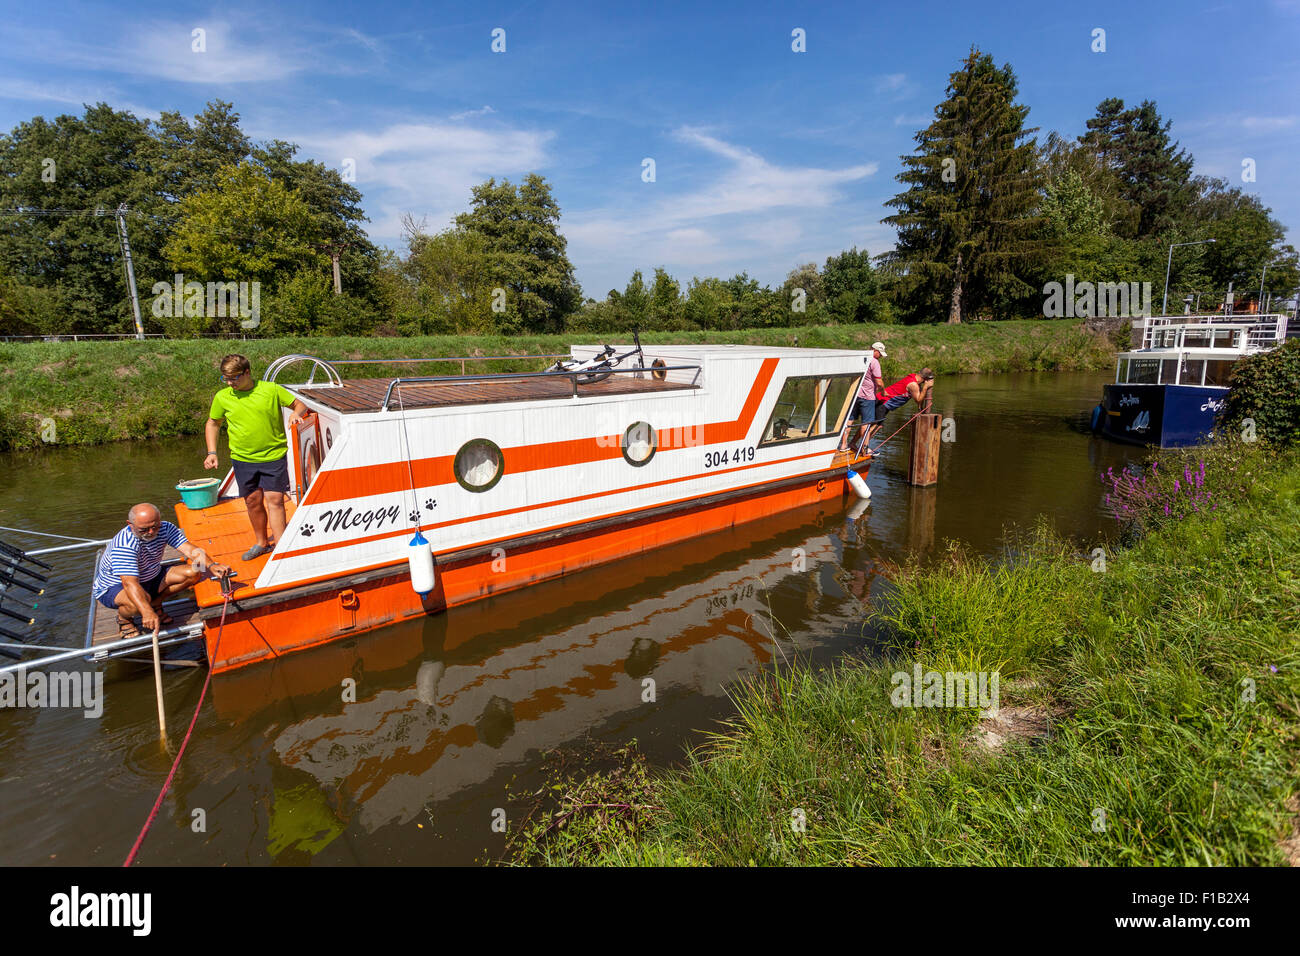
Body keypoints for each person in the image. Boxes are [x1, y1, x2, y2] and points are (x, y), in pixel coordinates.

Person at [204, 354, 309, 561]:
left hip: (273, 455)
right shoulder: (223, 397)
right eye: (225, 378)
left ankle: (280, 547)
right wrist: (212, 452)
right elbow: (213, 423)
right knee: (252, 501)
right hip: (243, 458)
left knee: (275, 499)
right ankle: (261, 543)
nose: (230, 383)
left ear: (247, 372)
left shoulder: (271, 389)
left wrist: (297, 414)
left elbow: (299, 405)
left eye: (234, 378)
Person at [93, 503, 225, 638]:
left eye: (155, 526)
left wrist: (212, 565)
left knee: (195, 572)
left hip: (151, 574)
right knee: (137, 604)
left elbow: (190, 549)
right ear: (130, 524)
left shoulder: (166, 528)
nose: (151, 532)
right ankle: (124, 618)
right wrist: (146, 611)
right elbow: (130, 583)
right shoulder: (125, 545)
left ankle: (156, 603)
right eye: (144, 529)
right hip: (114, 585)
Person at [864, 368, 935, 447]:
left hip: (882, 401)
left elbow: (918, 398)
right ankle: (864, 447)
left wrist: (920, 409)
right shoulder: (913, 385)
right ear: (926, 379)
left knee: (870, 425)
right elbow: (918, 400)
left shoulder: (913, 378)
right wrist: (925, 387)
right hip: (883, 402)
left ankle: (858, 445)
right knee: (876, 426)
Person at [839, 341, 888, 452]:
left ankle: (843, 445)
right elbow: (879, 382)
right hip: (868, 397)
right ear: (874, 350)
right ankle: (865, 448)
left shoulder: (860, 358)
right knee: (866, 423)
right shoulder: (874, 362)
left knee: (849, 420)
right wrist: (883, 392)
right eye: (880, 353)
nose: (880, 356)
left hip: (855, 394)